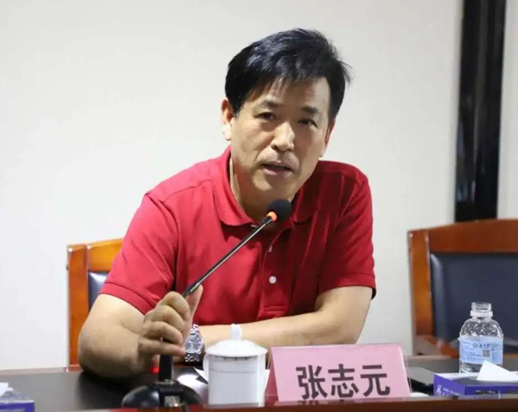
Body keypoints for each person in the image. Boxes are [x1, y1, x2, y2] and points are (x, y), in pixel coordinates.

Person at [78, 29, 376, 378]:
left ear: (326, 135)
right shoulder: (173, 206)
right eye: (268, 116)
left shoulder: (344, 193)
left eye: (306, 122)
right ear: (228, 118)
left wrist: (194, 341)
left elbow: (339, 327)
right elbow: (97, 337)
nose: (285, 140)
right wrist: (142, 349)